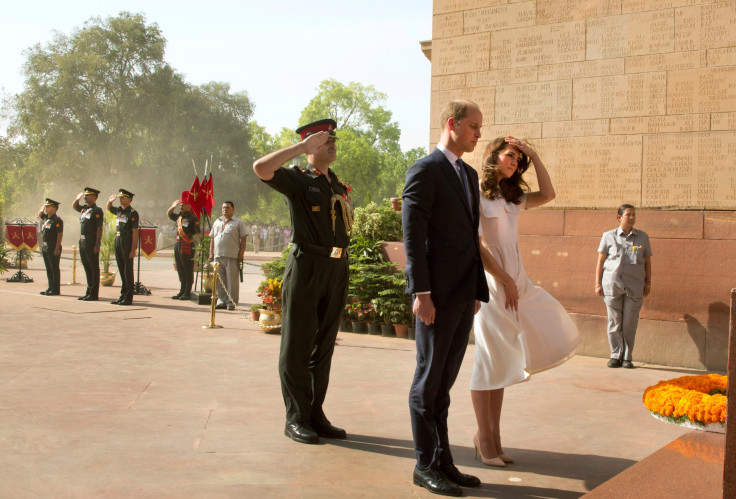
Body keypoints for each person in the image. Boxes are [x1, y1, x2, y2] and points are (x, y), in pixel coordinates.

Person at [470, 137, 581, 468]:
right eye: (510, 155)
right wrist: (503, 279)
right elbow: (475, 246)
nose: (514, 162)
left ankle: (494, 438)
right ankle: (483, 437)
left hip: (517, 281)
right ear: (494, 155)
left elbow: (548, 195)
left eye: (519, 159)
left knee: (504, 363)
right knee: (489, 360)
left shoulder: (514, 196)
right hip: (491, 281)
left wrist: (533, 153)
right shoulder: (475, 191)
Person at [402, 100, 489, 497]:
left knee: (443, 385)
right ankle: (425, 465)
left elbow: (470, 238)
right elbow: (413, 238)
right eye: (473, 126)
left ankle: (444, 461)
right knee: (428, 380)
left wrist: (474, 290)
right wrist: (421, 292)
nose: (478, 134)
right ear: (452, 124)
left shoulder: (468, 174)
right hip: (435, 296)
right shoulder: (425, 170)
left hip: (462, 296)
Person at [253, 118, 353, 446]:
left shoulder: (336, 184)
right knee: (297, 344)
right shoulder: (297, 179)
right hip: (307, 264)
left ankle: (315, 413)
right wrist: (298, 149)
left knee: (323, 346)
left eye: (332, 139)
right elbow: (260, 168)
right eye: (325, 139)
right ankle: (296, 417)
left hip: (336, 268)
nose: (332, 143)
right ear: (310, 145)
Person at [595, 204, 652, 368]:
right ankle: (615, 355)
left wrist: (648, 282)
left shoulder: (642, 237)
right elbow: (600, 261)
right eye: (628, 215)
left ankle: (627, 356)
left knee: (629, 322)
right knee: (614, 322)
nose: (632, 218)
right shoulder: (608, 236)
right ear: (619, 217)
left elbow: (648, 262)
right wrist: (597, 284)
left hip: (634, 285)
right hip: (612, 284)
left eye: (634, 215)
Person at [209, 201, 247, 311]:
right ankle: (221, 300)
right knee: (219, 280)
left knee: (232, 281)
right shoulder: (217, 222)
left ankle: (231, 302)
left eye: (228, 207)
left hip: (232, 256)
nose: (225, 209)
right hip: (218, 255)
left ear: (233, 209)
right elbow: (212, 238)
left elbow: (243, 239)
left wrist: (241, 254)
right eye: (223, 208)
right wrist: (211, 253)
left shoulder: (238, 222)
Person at [106, 189, 139, 305]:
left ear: (129, 199)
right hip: (118, 240)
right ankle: (123, 295)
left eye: (123, 198)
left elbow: (135, 232)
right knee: (121, 269)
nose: (121, 199)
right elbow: (109, 208)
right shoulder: (119, 210)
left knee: (127, 271)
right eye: (120, 198)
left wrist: (133, 249)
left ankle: (128, 297)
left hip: (127, 241)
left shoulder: (132, 213)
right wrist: (110, 201)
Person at [167, 192, 201, 300]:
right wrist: (172, 207)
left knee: (187, 268)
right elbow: (169, 214)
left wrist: (199, 247)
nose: (181, 207)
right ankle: (182, 290)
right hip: (178, 244)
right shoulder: (179, 216)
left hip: (187, 244)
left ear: (189, 206)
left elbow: (197, 234)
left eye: (183, 205)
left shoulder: (193, 218)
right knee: (180, 268)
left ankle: (187, 291)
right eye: (180, 205)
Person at [72, 187, 104, 301]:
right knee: (87, 267)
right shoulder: (84, 209)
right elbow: (75, 206)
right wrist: (77, 198)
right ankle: (89, 291)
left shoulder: (97, 210)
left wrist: (97, 244)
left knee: (93, 267)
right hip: (82, 241)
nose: (85, 197)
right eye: (85, 195)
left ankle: (94, 293)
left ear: (94, 197)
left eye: (88, 195)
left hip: (91, 241)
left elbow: (99, 228)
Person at [37, 198, 64, 296]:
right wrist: (42, 208)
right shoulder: (46, 219)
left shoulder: (57, 220)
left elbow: (59, 234)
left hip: (53, 246)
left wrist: (57, 248)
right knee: (48, 268)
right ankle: (50, 287)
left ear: (54, 208)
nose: (46, 208)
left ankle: (56, 289)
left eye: (48, 206)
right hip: (45, 246)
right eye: (46, 206)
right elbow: (40, 214)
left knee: (54, 268)